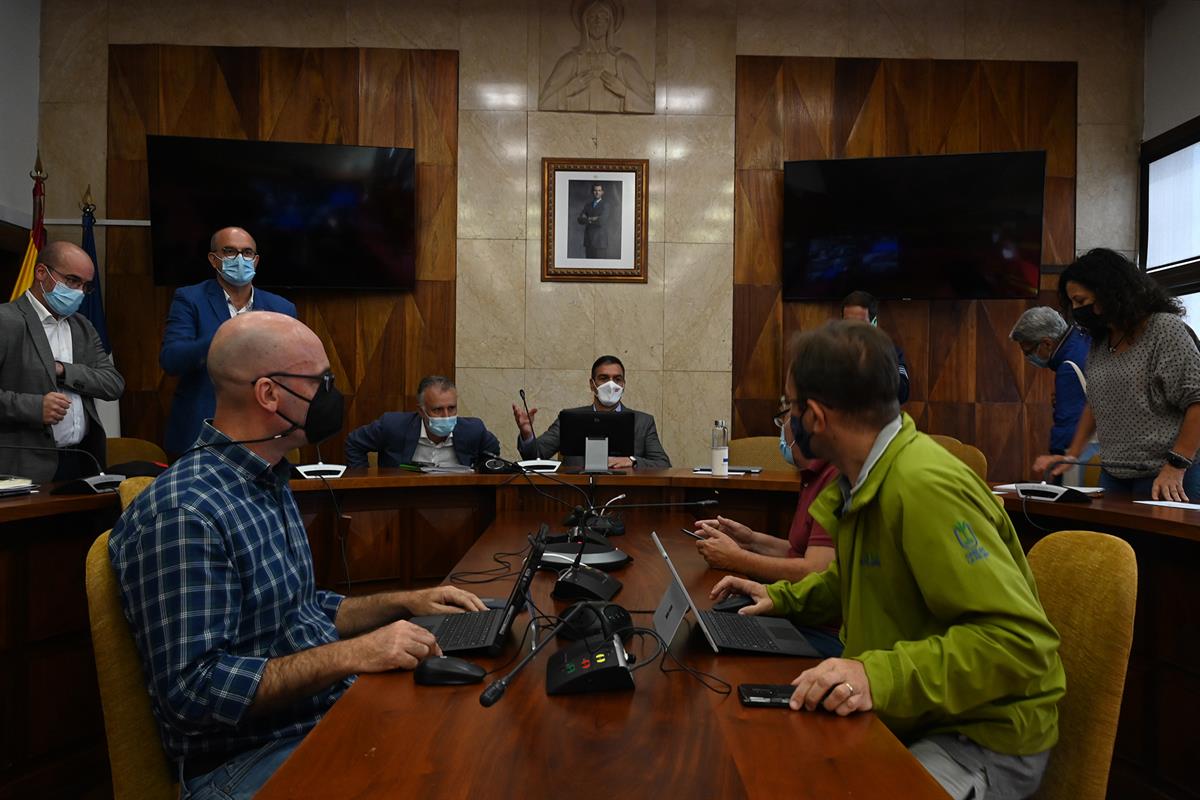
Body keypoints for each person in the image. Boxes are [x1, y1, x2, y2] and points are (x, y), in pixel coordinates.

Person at [110, 312, 485, 799]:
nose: (332, 395)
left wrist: (405, 601)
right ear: (269, 394)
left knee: (466, 735)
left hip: (310, 719)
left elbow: (304, 612)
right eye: (320, 381)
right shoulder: (186, 513)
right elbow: (194, 693)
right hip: (244, 763)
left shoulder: (267, 477)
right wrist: (356, 652)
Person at [712, 320, 1064, 799]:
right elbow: (862, 582)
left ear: (814, 416)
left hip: (977, 740)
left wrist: (874, 675)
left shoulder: (923, 485)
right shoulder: (866, 476)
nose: (787, 421)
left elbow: (1019, 643)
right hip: (919, 715)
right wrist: (782, 598)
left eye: (789, 407)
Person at [1033, 248, 1200, 501]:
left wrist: (1176, 466)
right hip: (1114, 475)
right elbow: (1096, 401)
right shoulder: (1100, 341)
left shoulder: (1163, 330)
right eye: (1073, 303)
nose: (1077, 310)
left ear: (1109, 292)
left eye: (1081, 301)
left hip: (1167, 475)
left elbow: (1197, 400)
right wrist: (1073, 453)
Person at [692, 394, 842, 657]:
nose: (781, 432)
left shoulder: (835, 477)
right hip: (798, 613)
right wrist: (751, 540)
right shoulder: (810, 475)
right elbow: (800, 551)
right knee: (701, 628)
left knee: (705, 649)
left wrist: (738, 559)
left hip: (824, 631)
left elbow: (814, 571)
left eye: (783, 418)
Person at [159, 226, 297, 457]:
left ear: (256, 261)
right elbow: (171, 360)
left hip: (261, 431)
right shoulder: (190, 299)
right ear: (214, 260)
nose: (240, 259)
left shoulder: (281, 308)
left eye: (247, 253)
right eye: (230, 252)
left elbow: (291, 371)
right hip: (202, 431)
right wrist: (227, 335)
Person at [0, 241, 125, 481]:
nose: (78, 292)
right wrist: (35, 407)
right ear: (41, 273)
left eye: (85, 286)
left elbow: (113, 384)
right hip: (23, 468)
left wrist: (62, 371)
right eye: (72, 281)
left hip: (81, 461)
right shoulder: (6, 320)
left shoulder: (82, 327)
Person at [512, 355, 671, 469]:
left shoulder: (643, 422)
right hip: (576, 498)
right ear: (592, 384)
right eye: (603, 378)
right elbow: (535, 457)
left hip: (625, 497)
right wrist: (527, 434)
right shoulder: (570, 419)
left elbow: (663, 464)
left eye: (617, 379)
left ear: (624, 384)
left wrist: (633, 460)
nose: (611, 384)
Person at [344, 375, 501, 468]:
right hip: (401, 505)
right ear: (421, 410)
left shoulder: (473, 430)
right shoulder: (393, 426)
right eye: (437, 410)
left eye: (452, 408)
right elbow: (354, 443)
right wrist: (366, 485)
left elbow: (493, 453)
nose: (446, 416)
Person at [1009, 307, 1094, 476]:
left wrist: (1056, 457)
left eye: (1029, 352)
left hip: (1081, 459)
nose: (1029, 358)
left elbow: (1069, 424)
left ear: (1047, 343)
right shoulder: (1084, 341)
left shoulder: (1068, 367)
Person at [538, 0, 654, 113]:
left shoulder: (624, 62)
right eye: (592, 16)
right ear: (585, 22)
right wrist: (569, 90)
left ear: (610, 23)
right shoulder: (571, 61)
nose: (598, 21)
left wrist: (624, 92)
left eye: (603, 16)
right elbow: (544, 103)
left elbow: (648, 105)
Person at [841, 290, 910, 403]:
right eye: (848, 323)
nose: (853, 328)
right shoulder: (829, 352)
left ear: (874, 323)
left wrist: (876, 359)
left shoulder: (891, 352)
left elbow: (903, 394)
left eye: (860, 323)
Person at [577, 183, 610, 259]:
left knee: (600, 267)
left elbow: (602, 221)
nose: (597, 192)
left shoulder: (606, 205)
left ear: (602, 192)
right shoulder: (587, 205)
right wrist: (593, 218)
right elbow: (580, 219)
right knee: (588, 267)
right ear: (592, 192)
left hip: (600, 242)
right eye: (595, 190)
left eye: (599, 190)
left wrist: (587, 218)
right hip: (589, 241)